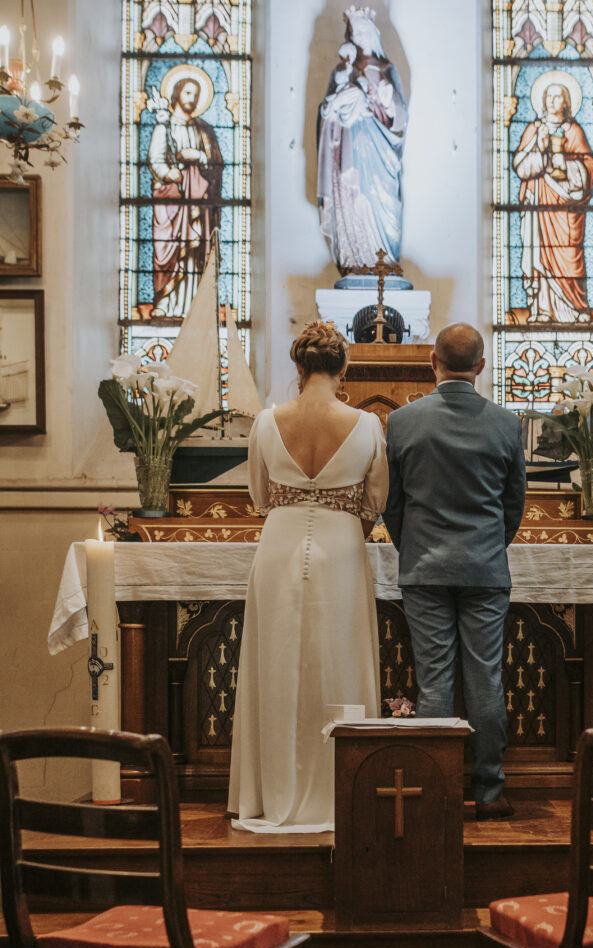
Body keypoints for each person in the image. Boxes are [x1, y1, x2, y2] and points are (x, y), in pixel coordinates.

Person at [228, 321, 388, 832]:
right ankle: (344, 791)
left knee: (274, 664)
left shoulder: (266, 422)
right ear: (345, 369)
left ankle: (268, 794)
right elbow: (376, 502)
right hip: (342, 546)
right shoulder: (366, 426)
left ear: (298, 368)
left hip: (278, 544)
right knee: (340, 662)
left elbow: (258, 496)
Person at [383, 324, 526, 821]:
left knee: (435, 682)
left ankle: (437, 792)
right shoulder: (507, 424)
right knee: (486, 679)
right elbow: (514, 505)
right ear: (481, 367)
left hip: (424, 568)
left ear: (432, 361)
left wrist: (414, 547)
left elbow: (392, 505)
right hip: (485, 567)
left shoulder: (402, 422)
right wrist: (488, 546)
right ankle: (489, 792)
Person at [316, 6, 407, 275]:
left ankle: (384, 259)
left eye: (366, 30)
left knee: (382, 200)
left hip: (381, 154)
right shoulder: (342, 72)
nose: (362, 36)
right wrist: (343, 102)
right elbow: (326, 115)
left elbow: (400, 118)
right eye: (356, 32)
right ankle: (355, 257)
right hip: (350, 152)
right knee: (354, 196)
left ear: (374, 33)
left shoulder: (388, 70)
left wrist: (387, 101)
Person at [512, 81, 593, 323]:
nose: (552, 100)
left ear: (566, 102)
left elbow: (589, 169)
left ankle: (575, 308)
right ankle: (542, 310)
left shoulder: (574, 131)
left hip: (567, 208)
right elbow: (520, 166)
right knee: (539, 254)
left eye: (558, 96)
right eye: (548, 96)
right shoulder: (534, 129)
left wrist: (566, 164)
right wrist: (540, 149)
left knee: (569, 253)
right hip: (539, 203)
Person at [148, 74, 223, 318]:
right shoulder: (164, 126)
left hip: (197, 203)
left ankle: (195, 304)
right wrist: (170, 174)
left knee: (194, 252)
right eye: (188, 92)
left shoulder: (204, 130)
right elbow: (155, 160)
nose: (192, 98)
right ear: (177, 93)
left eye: (196, 95)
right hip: (172, 202)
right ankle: (166, 304)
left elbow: (216, 164)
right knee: (170, 252)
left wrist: (199, 157)